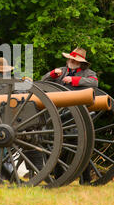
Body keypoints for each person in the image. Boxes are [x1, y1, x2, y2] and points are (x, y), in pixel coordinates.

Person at [42, 47, 98, 184]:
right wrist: (53, 74)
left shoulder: (88, 73)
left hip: (78, 114)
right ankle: (59, 177)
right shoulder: (61, 70)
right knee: (61, 146)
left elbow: (94, 83)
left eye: (74, 60)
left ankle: (85, 179)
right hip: (60, 114)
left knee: (81, 147)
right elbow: (43, 81)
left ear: (81, 63)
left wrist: (74, 80)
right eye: (70, 59)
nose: (71, 61)